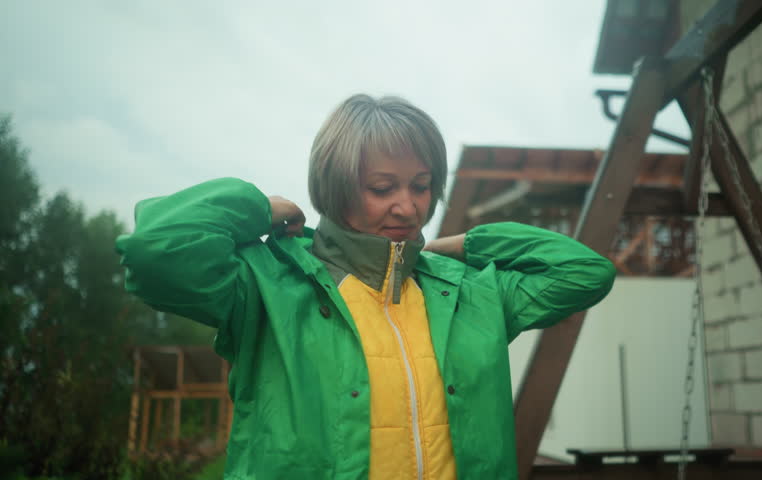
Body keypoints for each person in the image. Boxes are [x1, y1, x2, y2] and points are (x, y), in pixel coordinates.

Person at [116, 94, 616, 480]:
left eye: (421, 186)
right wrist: (258, 208)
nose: (408, 207)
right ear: (335, 186)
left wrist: (467, 244)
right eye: (382, 188)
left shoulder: (470, 293)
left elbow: (584, 273)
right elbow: (155, 249)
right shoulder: (268, 285)